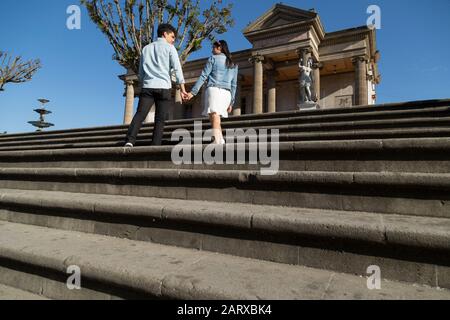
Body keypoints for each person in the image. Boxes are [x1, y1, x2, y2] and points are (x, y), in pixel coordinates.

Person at [124, 24, 187, 147]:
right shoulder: (170, 48)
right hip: (164, 87)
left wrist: (144, 82)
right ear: (165, 34)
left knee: (140, 114)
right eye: (172, 36)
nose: (173, 40)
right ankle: (155, 145)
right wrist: (183, 88)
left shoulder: (146, 49)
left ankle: (130, 141)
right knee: (160, 119)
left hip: (148, 86)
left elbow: (141, 72)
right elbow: (177, 69)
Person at [185, 40, 238, 144]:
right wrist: (231, 102)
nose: (211, 50)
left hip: (214, 90)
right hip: (226, 93)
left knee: (214, 115)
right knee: (214, 116)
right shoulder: (233, 64)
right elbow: (234, 85)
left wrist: (193, 92)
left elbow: (203, 76)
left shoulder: (213, 59)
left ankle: (216, 140)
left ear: (219, 48)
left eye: (213, 48)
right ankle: (220, 139)